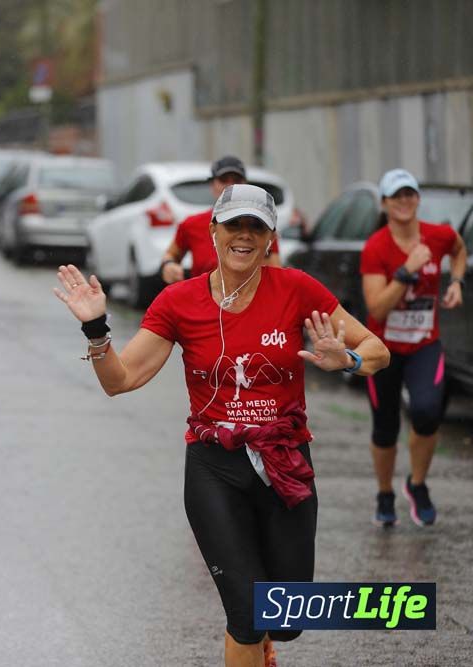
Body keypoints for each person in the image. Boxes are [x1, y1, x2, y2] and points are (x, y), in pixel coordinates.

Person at [53, 184, 389, 667]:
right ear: (213, 232)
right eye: (234, 225)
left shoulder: (297, 290)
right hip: (215, 469)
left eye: (257, 227)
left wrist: (348, 358)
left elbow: (378, 352)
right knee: (247, 613)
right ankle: (251, 635)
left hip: (286, 467)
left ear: (271, 238)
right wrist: (96, 329)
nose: (244, 236)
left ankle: (264, 638)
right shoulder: (179, 302)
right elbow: (120, 381)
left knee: (286, 618)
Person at [361, 168, 467, 527]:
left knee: (426, 411)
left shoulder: (438, 236)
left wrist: (455, 281)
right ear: (385, 203)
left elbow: (458, 248)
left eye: (410, 194)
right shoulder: (376, 247)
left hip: (424, 344)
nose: (405, 201)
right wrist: (406, 271)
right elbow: (376, 308)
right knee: (385, 426)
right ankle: (384, 493)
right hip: (382, 349)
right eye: (397, 196)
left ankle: (417, 485)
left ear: (417, 199)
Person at [161, 156, 281, 284]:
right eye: (223, 180)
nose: (230, 186)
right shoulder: (191, 224)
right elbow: (171, 255)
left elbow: (276, 273)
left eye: (237, 180)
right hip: (204, 300)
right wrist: (168, 265)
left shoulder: (260, 225)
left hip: (251, 298)